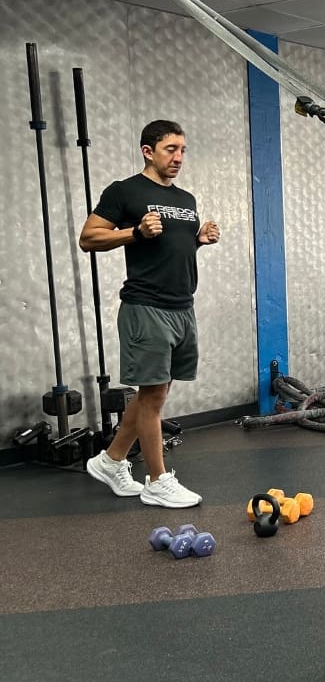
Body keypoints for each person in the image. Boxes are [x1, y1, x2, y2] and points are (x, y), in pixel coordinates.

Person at [79, 120, 220, 509]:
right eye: (170, 149)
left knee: (152, 394)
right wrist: (134, 232)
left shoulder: (186, 199)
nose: (178, 158)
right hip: (146, 306)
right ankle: (158, 480)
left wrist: (198, 240)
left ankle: (110, 461)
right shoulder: (125, 191)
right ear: (148, 151)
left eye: (182, 150)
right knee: (154, 395)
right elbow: (88, 237)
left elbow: (172, 249)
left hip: (181, 307)